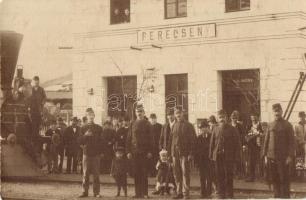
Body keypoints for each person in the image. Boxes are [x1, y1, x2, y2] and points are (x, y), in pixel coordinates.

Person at [263, 103, 295, 198]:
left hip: (283, 158)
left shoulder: (288, 125)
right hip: (271, 157)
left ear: (281, 111)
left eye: (278, 111)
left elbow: (291, 142)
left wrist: (290, 156)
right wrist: (265, 155)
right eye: (275, 111)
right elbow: (266, 141)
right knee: (274, 179)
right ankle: (277, 197)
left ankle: (285, 197)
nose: (277, 113)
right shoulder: (270, 125)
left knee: (284, 179)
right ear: (273, 112)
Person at [209, 109, 240, 199]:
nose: (221, 119)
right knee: (219, 175)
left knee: (229, 175)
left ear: (226, 118)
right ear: (218, 119)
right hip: (218, 156)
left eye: (223, 117)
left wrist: (237, 157)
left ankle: (229, 194)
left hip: (228, 156)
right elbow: (212, 143)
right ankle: (221, 193)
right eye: (220, 117)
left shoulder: (232, 129)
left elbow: (237, 144)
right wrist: (211, 155)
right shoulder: (215, 129)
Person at [126, 104, 154, 199]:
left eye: (141, 111)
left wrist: (150, 151)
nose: (139, 113)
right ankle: (137, 193)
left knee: (144, 173)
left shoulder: (147, 124)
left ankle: (145, 193)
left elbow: (151, 139)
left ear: (144, 112)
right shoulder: (132, 123)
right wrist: (128, 151)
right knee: (136, 173)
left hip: (144, 152)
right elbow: (129, 138)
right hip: (134, 152)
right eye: (138, 111)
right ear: (135, 112)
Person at [169, 107, 196, 199]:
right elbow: (170, 141)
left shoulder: (189, 125)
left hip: (185, 153)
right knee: (176, 173)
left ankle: (186, 193)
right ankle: (179, 192)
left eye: (179, 113)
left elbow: (193, 141)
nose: (178, 115)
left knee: (185, 173)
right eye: (176, 113)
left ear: (183, 113)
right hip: (175, 153)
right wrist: (170, 153)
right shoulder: (174, 125)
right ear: (175, 115)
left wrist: (191, 153)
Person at [79, 108, 104, 198]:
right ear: (86, 116)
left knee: (96, 175)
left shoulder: (99, 128)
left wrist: (101, 152)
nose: (90, 116)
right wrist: (85, 135)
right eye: (89, 115)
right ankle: (84, 192)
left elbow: (102, 142)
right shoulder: (82, 128)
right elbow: (79, 141)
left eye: (92, 114)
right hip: (86, 154)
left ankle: (96, 192)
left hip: (96, 155)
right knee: (85, 174)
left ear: (94, 116)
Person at [195, 119, 212, 198]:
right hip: (201, 160)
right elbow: (196, 150)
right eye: (201, 128)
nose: (203, 129)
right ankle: (203, 192)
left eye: (204, 127)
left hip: (209, 160)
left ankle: (209, 192)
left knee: (209, 176)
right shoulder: (198, 138)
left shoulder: (211, 137)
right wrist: (196, 162)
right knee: (202, 177)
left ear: (207, 128)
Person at [29, 76, 46, 151]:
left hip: (39, 110)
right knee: (33, 124)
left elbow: (45, 98)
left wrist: (42, 104)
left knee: (38, 125)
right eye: (35, 81)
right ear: (33, 82)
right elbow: (27, 98)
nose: (36, 83)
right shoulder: (30, 89)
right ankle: (33, 140)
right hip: (32, 110)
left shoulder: (41, 90)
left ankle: (37, 139)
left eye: (37, 81)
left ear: (39, 82)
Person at [245, 114, 263, 182]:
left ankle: (260, 177)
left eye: (255, 119)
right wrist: (251, 135)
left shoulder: (260, 125)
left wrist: (259, 134)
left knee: (259, 161)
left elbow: (262, 133)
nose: (253, 120)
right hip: (251, 146)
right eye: (252, 119)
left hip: (258, 146)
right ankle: (251, 177)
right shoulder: (249, 126)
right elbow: (246, 135)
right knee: (251, 162)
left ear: (257, 118)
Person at [230, 111, 246, 179]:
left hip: (238, 145)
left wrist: (243, 144)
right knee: (231, 160)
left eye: (236, 118)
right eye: (233, 118)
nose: (234, 120)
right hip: (230, 145)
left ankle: (239, 173)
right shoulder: (229, 125)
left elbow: (243, 135)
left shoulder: (240, 126)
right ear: (231, 118)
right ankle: (232, 173)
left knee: (238, 159)